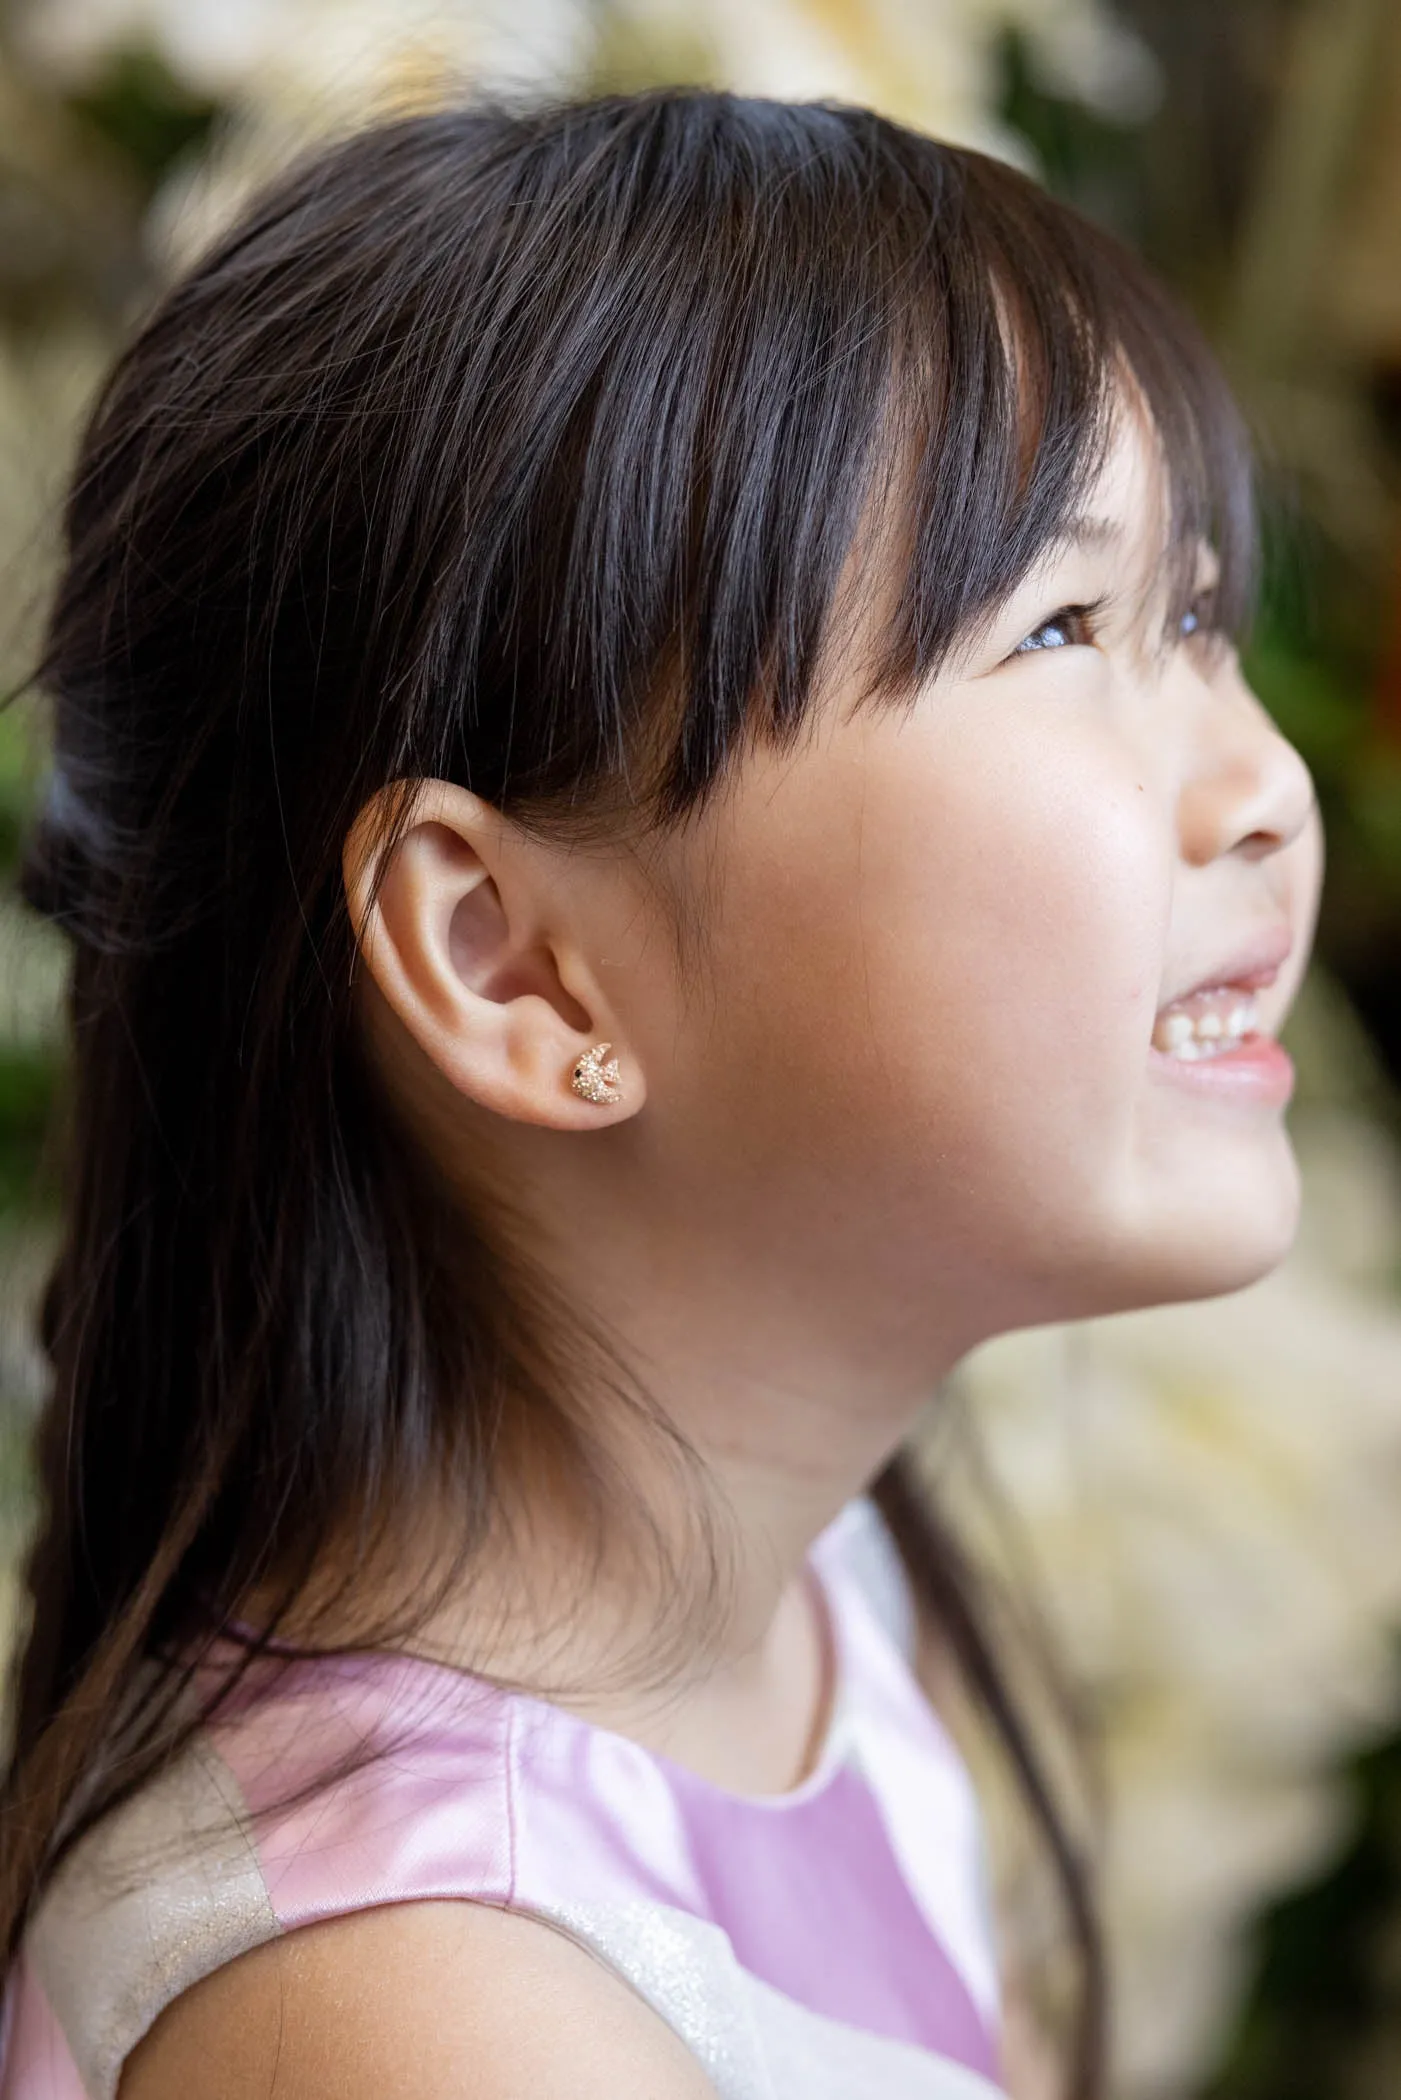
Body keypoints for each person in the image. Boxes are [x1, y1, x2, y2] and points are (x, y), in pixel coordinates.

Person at [0, 88, 1320, 2100]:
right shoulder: (429, 2022)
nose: (1267, 790)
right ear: (512, 965)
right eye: (1065, 624)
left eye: (1196, 616)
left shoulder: (814, 1584)